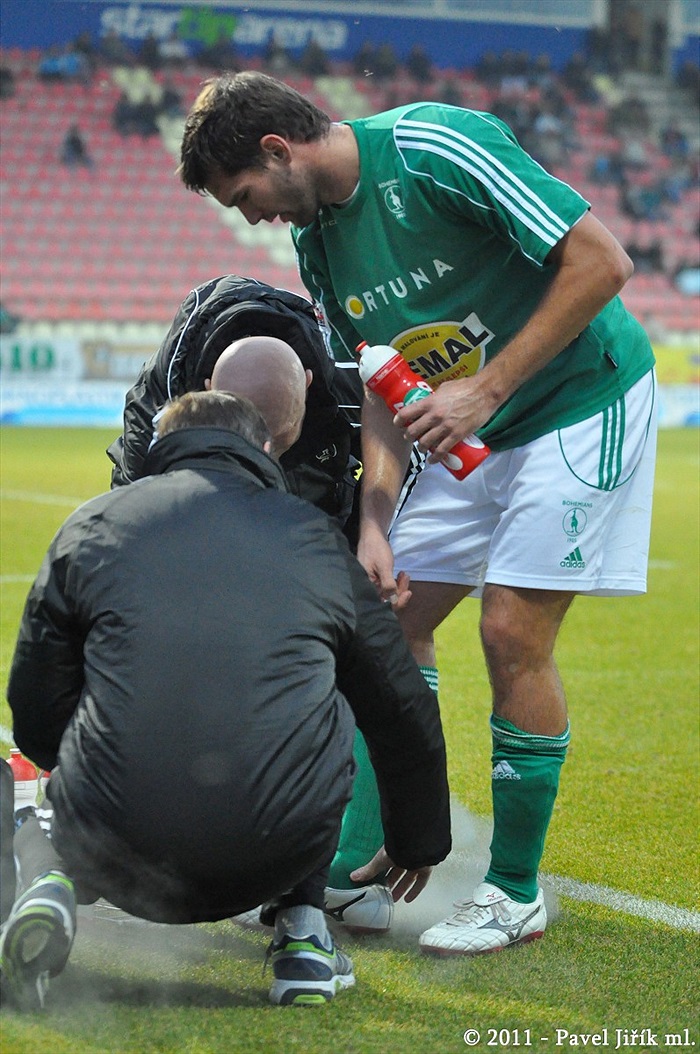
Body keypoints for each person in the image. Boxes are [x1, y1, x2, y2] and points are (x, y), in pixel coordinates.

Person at [178, 70, 658, 956]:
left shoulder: (434, 149)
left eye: (247, 197)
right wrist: (373, 521)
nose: (253, 221)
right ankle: (361, 875)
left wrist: (485, 389)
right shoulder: (319, 243)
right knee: (389, 615)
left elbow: (603, 262)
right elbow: (381, 386)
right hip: (463, 426)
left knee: (511, 632)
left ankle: (514, 893)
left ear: (279, 151)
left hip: (581, 399)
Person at [1, 387, 451, 1011]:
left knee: (28, 794)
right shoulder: (317, 538)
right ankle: (302, 933)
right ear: (266, 447)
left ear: (160, 446)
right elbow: (401, 708)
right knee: (325, 705)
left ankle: (50, 881)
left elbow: (36, 712)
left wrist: (92, 761)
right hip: (275, 855)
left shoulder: (94, 522)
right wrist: (418, 840)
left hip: (112, 853)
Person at [106, 279, 391, 937]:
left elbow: (383, 479)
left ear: (308, 400)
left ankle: (323, 881)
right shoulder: (155, 414)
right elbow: (131, 553)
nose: (261, 460)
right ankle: (100, 840)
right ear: (204, 397)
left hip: (318, 531)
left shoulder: (344, 393)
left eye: (276, 439)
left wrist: (371, 533)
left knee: (322, 671)